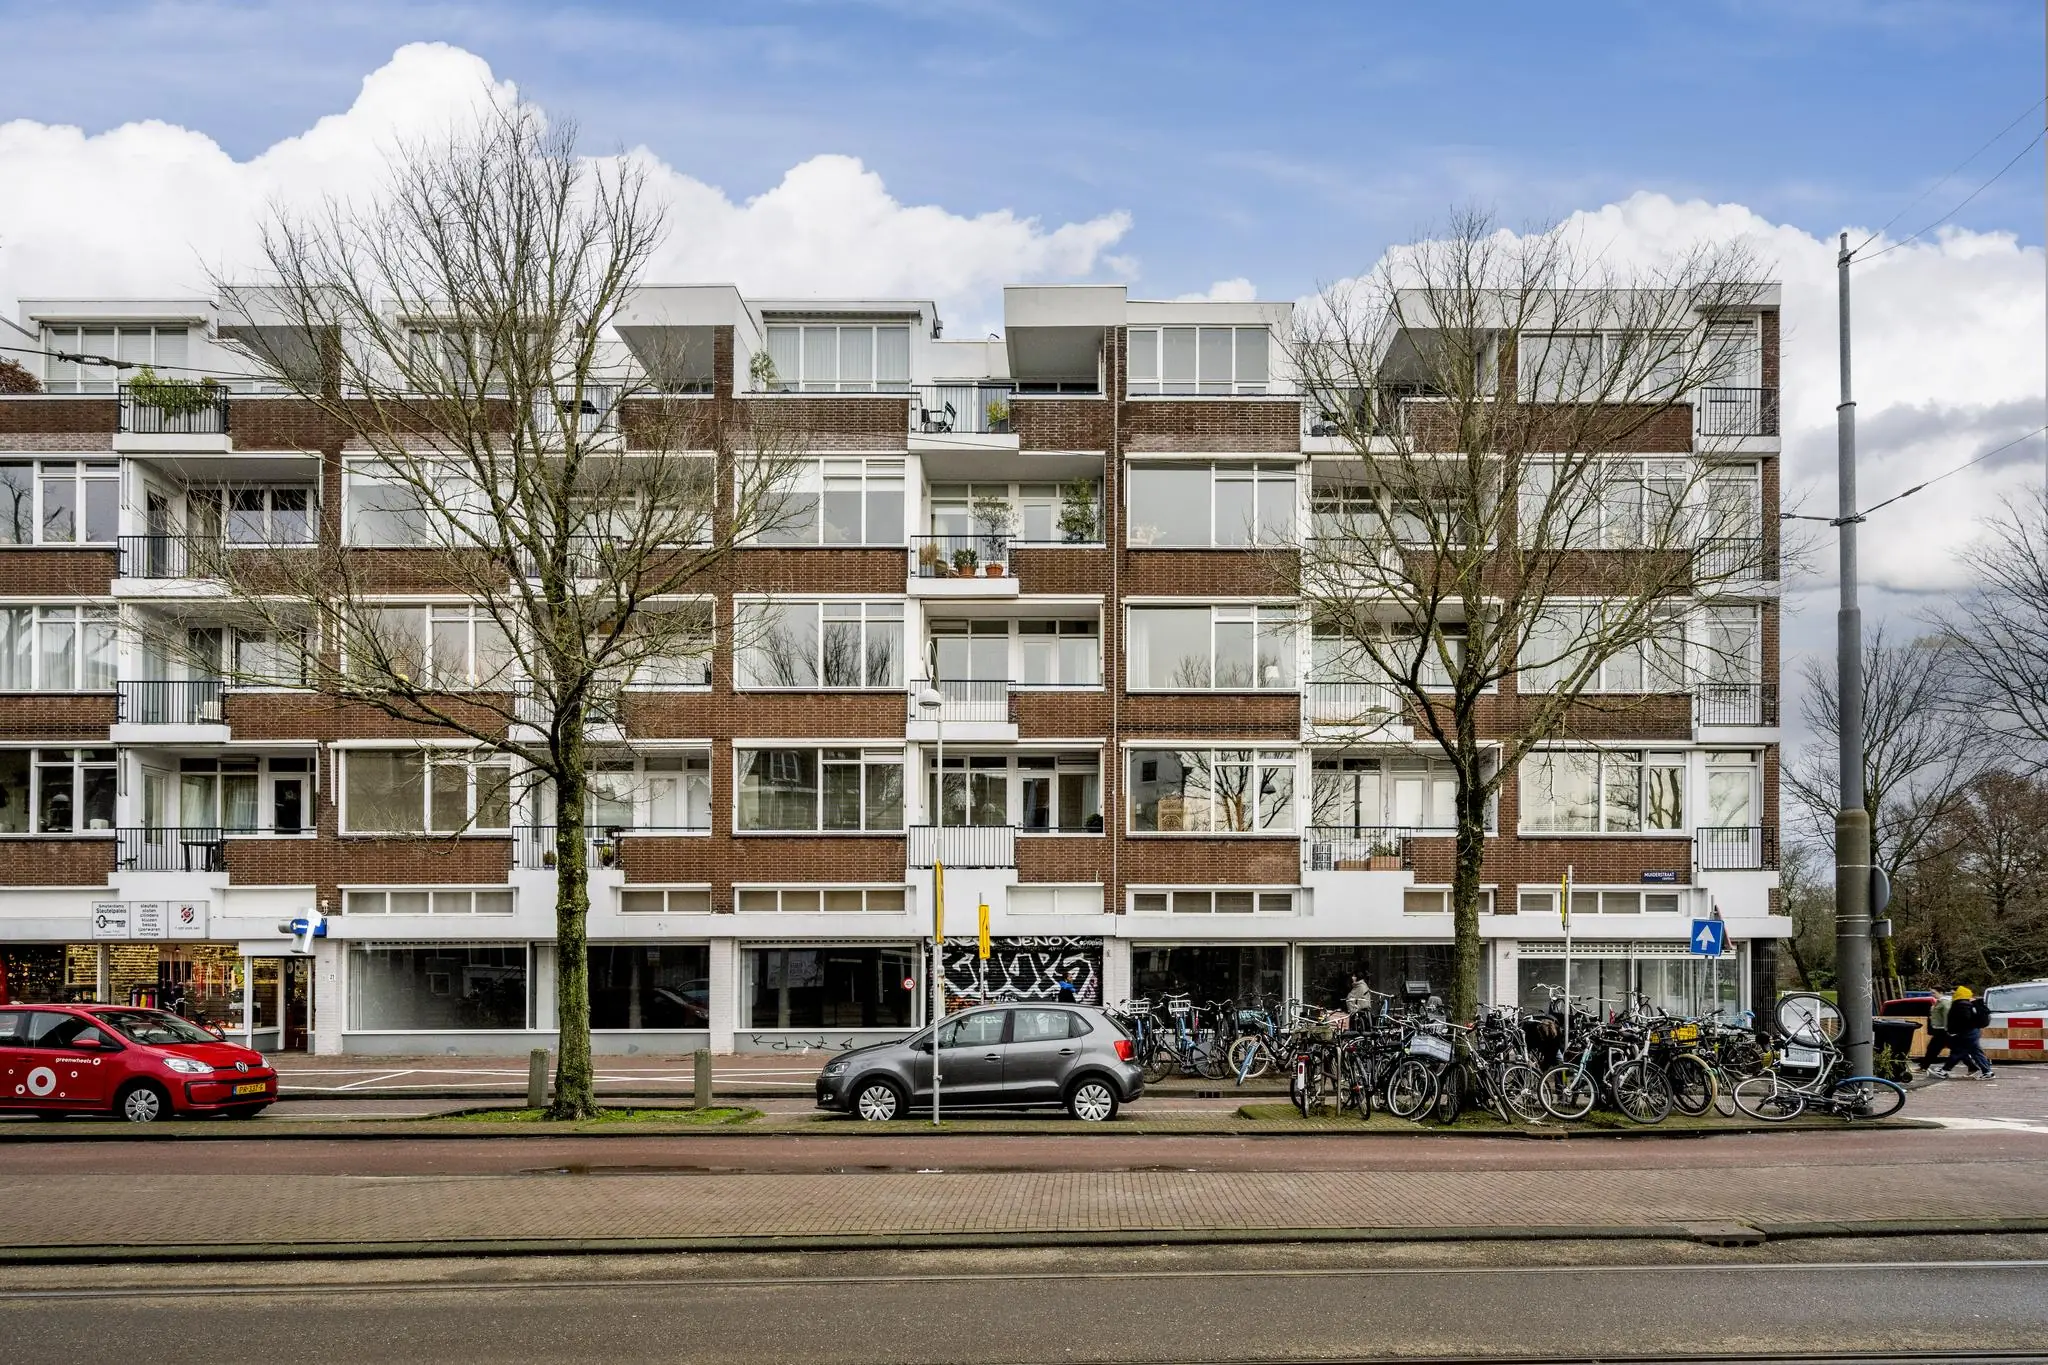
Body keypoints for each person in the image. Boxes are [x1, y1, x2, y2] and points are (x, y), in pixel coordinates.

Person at [1936, 986, 1995, 1080]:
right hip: (1972, 1031)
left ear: (1959, 993)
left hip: (1966, 1032)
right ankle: (1987, 1072)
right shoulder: (1967, 1002)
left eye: (1953, 993)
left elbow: (1963, 1019)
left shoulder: (1961, 1004)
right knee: (1975, 1052)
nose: (1952, 995)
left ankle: (1944, 1071)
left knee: (1958, 1051)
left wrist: (1954, 1030)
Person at [1920, 991, 1953, 1073]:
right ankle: (1924, 1067)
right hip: (1940, 1030)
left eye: (1934, 993)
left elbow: (1946, 1015)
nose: (1932, 995)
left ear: (1941, 992)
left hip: (1943, 1030)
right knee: (1932, 1048)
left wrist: (1947, 1028)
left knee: (1957, 1050)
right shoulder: (1939, 1002)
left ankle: (1924, 1067)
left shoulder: (1944, 1002)